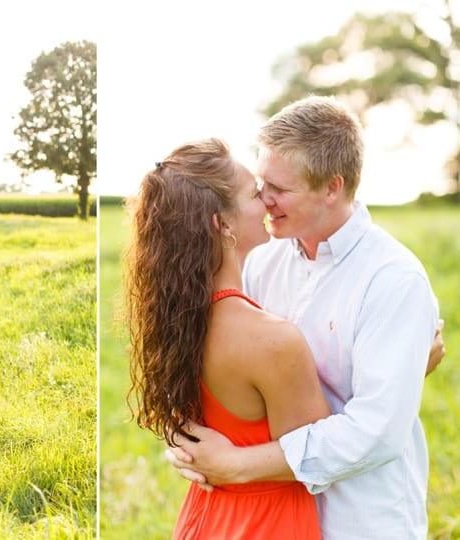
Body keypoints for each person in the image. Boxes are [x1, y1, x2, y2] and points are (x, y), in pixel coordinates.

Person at [166, 96, 442, 539]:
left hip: (361, 518)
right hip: (281, 515)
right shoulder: (262, 261)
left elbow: (379, 431)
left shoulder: (393, 279)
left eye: (280, 188)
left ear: (332, 188)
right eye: (260, 183)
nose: (263, 199)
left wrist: (238, 466)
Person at [124, 138, 332, 538]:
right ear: (222, 224)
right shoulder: (272, 340)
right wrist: (405, 367)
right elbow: (326, 453)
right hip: (266, 523)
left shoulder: (175, 319)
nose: (268, 202)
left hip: (204, 518)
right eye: (255, 194)